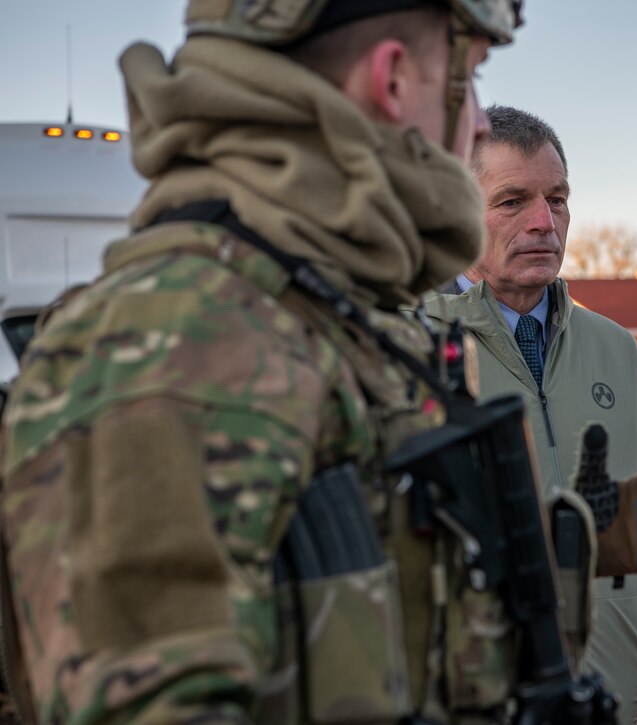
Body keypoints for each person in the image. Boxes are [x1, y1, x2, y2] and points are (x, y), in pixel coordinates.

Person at [0, 2, 586, 722]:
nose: (479, 128)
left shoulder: (331, 319)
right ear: (395, 78)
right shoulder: (177, 348)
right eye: (470, 75)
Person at [425, 105, 637, 724]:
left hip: (610, 693)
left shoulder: (615, 348)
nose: (545, 222)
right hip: (470, 698)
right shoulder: (409, 345)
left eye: (557, 199)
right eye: (513, 201)